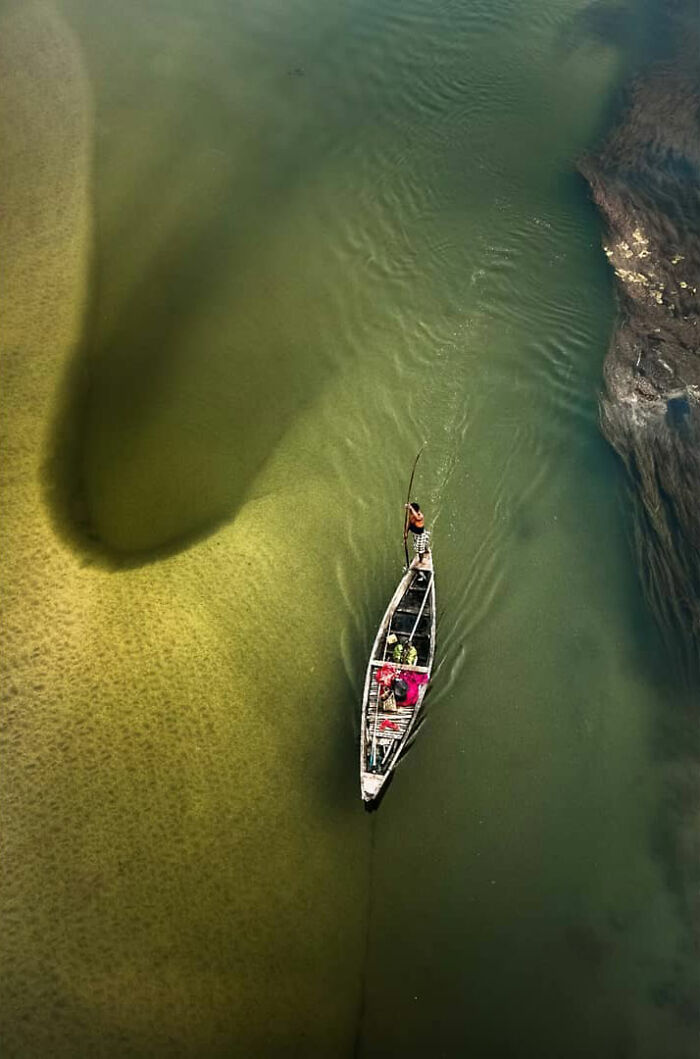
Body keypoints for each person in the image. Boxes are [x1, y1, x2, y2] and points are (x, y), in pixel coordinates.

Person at [405, 501, 431, 566]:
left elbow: (417, 517)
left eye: (411, 511)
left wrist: (411, 508)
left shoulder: (420, 515)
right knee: (417, 546)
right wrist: (406, 532)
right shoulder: (411, 515)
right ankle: (425, 548)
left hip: (420, 534)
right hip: (414, 533)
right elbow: (408, 523)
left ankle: (421, 560)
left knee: (420, 550)